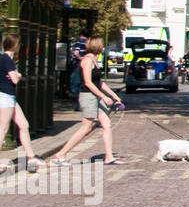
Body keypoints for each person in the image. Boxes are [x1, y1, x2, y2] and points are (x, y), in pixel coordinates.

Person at [51, 36, 123, 166]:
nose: (103, 47)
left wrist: (113, 95)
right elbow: (88, 83)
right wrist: (104, 97)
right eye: (101, 45)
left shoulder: (94, 60)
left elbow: (99, 82)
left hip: (95, 96)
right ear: (97, 46)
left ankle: (109, 156)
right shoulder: (87, 60)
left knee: (106, 123)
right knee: (86, 127)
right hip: (88, 96)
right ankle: (60, 155)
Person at [0, 34, 45, 172]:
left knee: (24, 125)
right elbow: (15, 79)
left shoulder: (4, 58)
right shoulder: (7, 59)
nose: (20, 47)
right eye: (19, 45)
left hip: (9, 97)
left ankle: (30, 157)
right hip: (5, 97)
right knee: (3, 129)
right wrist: (18, 74)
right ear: (15, 45)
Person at [68, 31, 88, 98]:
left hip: (78, 64)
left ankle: (77, 99)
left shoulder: (79, 43)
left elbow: (76, 53)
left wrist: (80, 58)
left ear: (81, 35)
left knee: (75, 81)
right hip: (86, 64)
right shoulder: (89, 43)